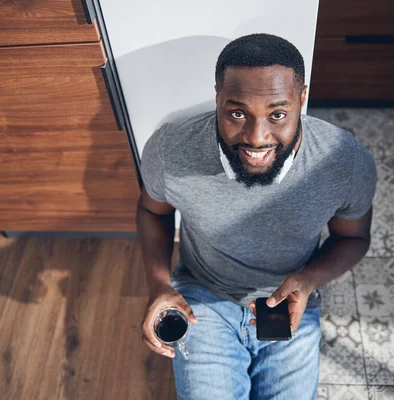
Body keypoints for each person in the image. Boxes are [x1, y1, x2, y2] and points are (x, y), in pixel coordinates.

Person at [137, 33, 376, 400]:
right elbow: (152, 211)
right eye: (237, 113)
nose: (256, 138)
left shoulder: (344, 161)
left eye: (277, 114)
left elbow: (354, 237)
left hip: (290, 299)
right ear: (217, 96)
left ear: (302, 99)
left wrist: (309, 279)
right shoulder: (170, 150)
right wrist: (159, 285)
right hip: (203, 295)